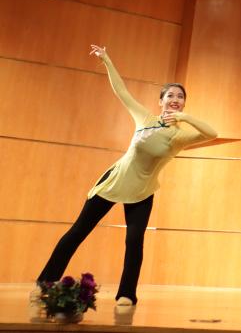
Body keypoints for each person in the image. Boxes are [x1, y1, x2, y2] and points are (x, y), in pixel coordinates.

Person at [36, 45, 218, 308]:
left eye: (180, 97)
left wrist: (185, 117)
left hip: (142, 190)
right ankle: (44, 284)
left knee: (134, 242)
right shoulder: (145, 117)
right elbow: (121, 91)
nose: (175, 99)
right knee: (78, 232)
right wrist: (106, 59)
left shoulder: (180, 135)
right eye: (170, 95)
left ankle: (126, 294)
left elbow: (212, 133)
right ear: (160, 101)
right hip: (114, 180)